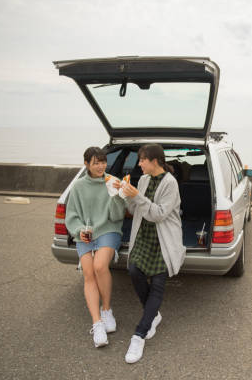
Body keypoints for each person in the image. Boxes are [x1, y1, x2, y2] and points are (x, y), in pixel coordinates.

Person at [116, 143, 185, 364]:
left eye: (142, 160)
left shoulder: (170, 183)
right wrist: (126, 194)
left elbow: (158, 214)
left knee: (157, 284)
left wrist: (137, 196)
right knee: (134, 270)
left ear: (154, 161)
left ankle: (139, 334)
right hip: (144, 236)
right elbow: (136, 209)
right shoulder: (144, 180)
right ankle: (153, 315)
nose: (139, 164)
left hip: (163, 239)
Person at [65, 146, 126, 348]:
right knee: (89, 273)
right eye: (96, 163)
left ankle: (107, 310)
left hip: (109, 229)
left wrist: (117, 195)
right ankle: (97, 323)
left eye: (103, 162)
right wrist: (79, 231)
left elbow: (117, 216)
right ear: (86, 164)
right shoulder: (78, 186)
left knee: (100, 266)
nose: (101, 166)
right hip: (85, 233)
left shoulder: (112, 181)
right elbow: (71, 216)